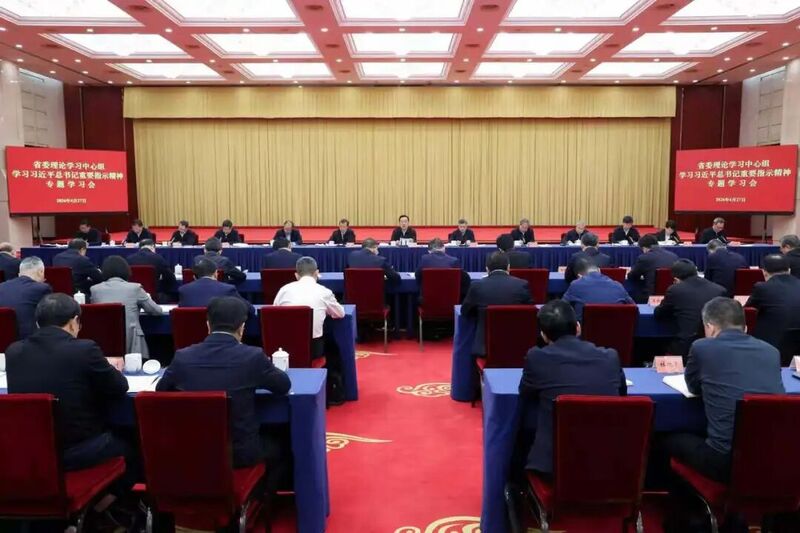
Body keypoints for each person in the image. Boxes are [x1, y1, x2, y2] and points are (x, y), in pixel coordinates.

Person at [6, 294, 134, 502]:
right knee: (135, 440)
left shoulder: (13, 352)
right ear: (74, 322)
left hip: (32, 455)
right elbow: (120, 386)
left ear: (38, 323)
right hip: (78, 451)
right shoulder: (84, 350)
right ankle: (107, 505)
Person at [156, 297, 291, 476]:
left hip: (192, 451)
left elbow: (161, 391)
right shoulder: (253, 357)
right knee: (282, 444)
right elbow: (283, 386)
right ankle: (261, 491)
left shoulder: (182, 356)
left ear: (208, 325)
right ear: (242, 327)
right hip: (239, 454)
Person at [663, 297, 784, 482]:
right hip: (771, 458)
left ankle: (679, 500)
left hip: (723, 461)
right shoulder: (771, 352)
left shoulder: (702, 347)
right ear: (745, 328)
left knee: (666, 439)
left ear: (710, 327)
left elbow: (693, 386)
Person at [519, 299, 626, 476]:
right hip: (609, 464)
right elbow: (622, 395)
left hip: (555, 467)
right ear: (578, 327)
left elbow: (525, 393)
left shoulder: (537, 358)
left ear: (544, 335)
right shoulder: (610, 356)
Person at [90, 255, 164, 358]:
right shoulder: (135, 288)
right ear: (126, 270)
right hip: (131, 342)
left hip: (104, 341)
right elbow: (157, 311)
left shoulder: (95, 290)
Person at [461, 252, 533, 356]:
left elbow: (465, 311)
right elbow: (530, 312)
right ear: (508, 267)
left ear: (487, 269)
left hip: (485, 347)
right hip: (517, 345)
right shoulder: (521, 285)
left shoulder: (477, 286)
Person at [273, 257, 345, 358]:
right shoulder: (324, 292)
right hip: (313, 348)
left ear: (296, 275)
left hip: (285, 347)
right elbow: (340, 313)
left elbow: (274, 313)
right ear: (317, 273)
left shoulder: (284, 290)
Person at [654, 259, 727, 357]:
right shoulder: (719, 290)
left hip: (685, 348)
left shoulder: (675, 290)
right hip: (715, 347)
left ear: (676, 279)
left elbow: (659, 314)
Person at [745, 254, 800, 353]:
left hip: (772, 344)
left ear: (764, 272)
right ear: (789, 270)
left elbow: (747, 310)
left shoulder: (762, 288)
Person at [562, 258, 633, 321]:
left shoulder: (575, 285)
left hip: (586, 331)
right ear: (599, 270)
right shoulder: (618, 285)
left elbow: (561, 308)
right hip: (617, 330)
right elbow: (634, 308)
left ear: (579, 277)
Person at [0, 256, 51, 338]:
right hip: (28, 339)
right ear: (41, 272)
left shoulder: (1, 286)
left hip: (3, 338)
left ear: (19, 273)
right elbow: (49, 317)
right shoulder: (42, 288)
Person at [179, 257, 254, 313]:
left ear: (194, 277)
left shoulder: (183, 290)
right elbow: (250, 309)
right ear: (216, 274)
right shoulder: (227, 289)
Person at [627, 234, 679, 303]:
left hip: (650, 296)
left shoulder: (644, 258)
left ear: (644, 248)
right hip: (672, 295)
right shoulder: (674, 256)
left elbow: (632, 276)